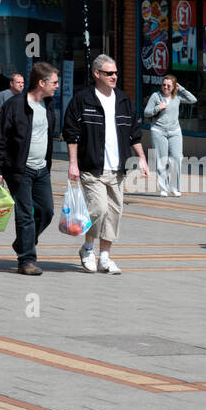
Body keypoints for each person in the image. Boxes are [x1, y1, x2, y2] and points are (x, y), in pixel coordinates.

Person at [64, 54, 148, 275]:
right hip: (92, 167)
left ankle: (105, 258)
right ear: (97, 74)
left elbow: (134, 134)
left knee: (113, 213)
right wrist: (73, 163)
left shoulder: (123, 100)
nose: (114, 76)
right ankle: (88, 249)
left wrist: (142, 158)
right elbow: (71, 134)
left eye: (116, 73)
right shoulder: (82, 99)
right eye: (109, 73)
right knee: (98, 209)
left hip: (117, 169)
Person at [0, 61, 59, 276]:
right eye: (53, 82)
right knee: (25, 213)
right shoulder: (15, 105)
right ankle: (26, 260)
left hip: (42, 168)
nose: (56, 86)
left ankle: (22, 243)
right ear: (41, 83)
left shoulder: (49, 105)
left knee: (46, 211)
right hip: (19, 168)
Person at [144, 73, 196, 197]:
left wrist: (181, 88)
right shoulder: (156, 96)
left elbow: (193, 100)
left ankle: (175, 187)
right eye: (164, 85)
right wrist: (158, 108)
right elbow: (146, 112)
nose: (165, 87)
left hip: (175, 132)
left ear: (173, 87)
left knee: (177, 159)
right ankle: (163, 188)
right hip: (158, 131)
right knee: (161, 160)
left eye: (168, 85)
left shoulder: (177, 97)